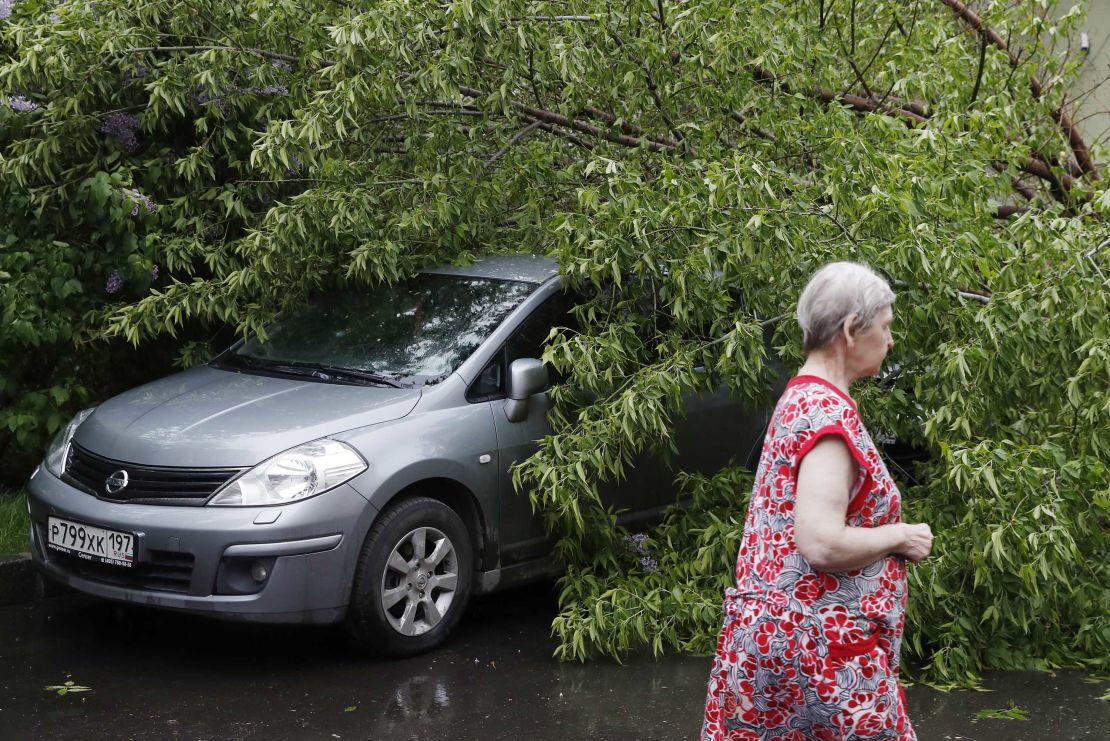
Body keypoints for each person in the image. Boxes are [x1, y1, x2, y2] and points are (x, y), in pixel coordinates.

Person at [701, 261, 933, 740]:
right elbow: (820, 544)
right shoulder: (826, 418)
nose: (891, 341)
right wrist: (899, 535)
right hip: (820, 655)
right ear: (851, 330)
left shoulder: (802, 398)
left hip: (783, 641)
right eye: (886, 327)